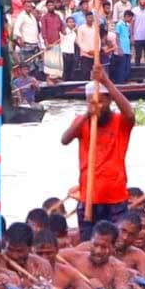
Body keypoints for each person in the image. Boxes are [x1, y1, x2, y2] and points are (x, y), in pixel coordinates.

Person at [60, 64, 135, 240]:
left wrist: (105, 81)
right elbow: (65, 139)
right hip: (89, 197)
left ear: (109, 101)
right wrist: (87, 114)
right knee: (88, 244)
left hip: (115, 196)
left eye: (101, 102)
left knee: (115, 244)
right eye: (92, 102)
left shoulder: (120, 121)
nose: (97, 107)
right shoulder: (82, 120)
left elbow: (130, 114)